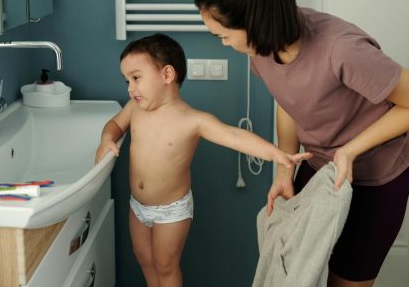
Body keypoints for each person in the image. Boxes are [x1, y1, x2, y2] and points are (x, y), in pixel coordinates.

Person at [194, 0, 409, 287]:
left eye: (223, 34)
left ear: (253, 20)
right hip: (319, 167)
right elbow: (288, 102)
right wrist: (284, 170)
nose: (222, 43)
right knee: (293, 273)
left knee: (345, 281)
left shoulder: (340, 48)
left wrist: (349, 151)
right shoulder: (263, 49)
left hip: (375, 178)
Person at [95, 33, 312, 287]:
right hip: (138, 206)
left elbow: (234, 136)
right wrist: (106, 139)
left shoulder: (192, 120)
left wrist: (277, 153)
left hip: (171, 211)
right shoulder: (134, 109)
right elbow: (114, 125)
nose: (130, 88)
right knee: (144, 258)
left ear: (166, 75)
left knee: (165, 264)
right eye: (127, 81)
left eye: (136, 78)